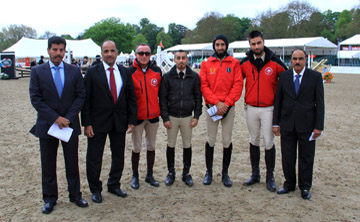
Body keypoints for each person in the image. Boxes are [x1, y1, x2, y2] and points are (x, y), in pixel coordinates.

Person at [29, 36, 88, 214]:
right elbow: (36, 99)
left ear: (65, 51)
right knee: (48, 164)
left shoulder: (74, 71)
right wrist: (56, 118)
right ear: (48, 51)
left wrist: (67, 118)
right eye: (54, 49)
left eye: (61, 50)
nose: (58, 53)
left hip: (69, 125)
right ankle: (49, 199)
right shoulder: (38, 72)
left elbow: (80, 96)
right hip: (47, 125)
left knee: (72, 162)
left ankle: (75, 195)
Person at [81, 40, 137, 203]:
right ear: (102, 53)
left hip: (119, 121)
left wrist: (132, 119)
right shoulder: (92, 72)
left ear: (117, 52)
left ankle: (114, 184)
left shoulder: (125, 72)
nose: (109, 54)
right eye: (106, 51)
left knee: (118, 155)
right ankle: (95, 189)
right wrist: (87, 123)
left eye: (112, 51)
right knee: (94, 157)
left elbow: (130, 97)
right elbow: (86, 100)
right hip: (97, 122)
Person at [273, 49, 324, 200]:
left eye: (300, 59)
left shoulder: (315, 77)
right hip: (287, 124)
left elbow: (320, 104)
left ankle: (305, 186)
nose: (297, 62)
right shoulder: (284, 76)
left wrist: (319, 126)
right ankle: (289, 184)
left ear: (306, 60)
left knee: (306, 157)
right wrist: (276, 123)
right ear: (291, 60)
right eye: (294, 59)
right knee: (288, 156)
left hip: (307, 125)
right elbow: (278, 101)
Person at [240, 30, 287, 192]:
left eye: (259, 43)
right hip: (251, 108)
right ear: (249, 45)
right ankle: (255, 174)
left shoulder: (275, 62)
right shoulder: (245, 63)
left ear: (263, 42)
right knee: (253, 140)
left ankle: (270, 176)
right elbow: (233, 80)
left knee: (268, 142)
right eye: (253, 44)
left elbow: (287, 80)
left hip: (269, 109)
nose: (256, 46)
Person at [199, 35, 243, 187]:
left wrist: (226, 104)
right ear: (214, 46)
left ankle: (225, 173)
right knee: (211, 140)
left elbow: (238, 85)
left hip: (228, 108)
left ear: (226, 46)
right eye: (217, 45)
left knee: (226, 140)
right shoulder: (206, 64)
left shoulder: (235, 63)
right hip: (212, 107)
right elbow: (204, 85)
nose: (220, 47)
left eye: (222, 44)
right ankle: (209, 172)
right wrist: (217, 103)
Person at [159, 50, 202, 187]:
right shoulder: (167, 77)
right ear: (174, 59)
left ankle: (186, 173)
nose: (181, 61)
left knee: (187, 145)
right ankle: (171, 173)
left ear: (187, 59)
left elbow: (198, 98)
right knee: (171, 144)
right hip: (172, 116)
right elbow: (163, 99)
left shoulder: (194, 77)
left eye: (183, 58)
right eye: (178, 58)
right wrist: (165, 117)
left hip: (187, 117)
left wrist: (196, 116)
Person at [129, 43, 162, 189]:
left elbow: (162, 94)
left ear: (150, 55)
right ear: (136, 55)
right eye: (141, 53)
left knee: (151, 146)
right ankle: (135, 175)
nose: (143, 56)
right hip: (137, 117)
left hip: (153, 116)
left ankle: (149, 174)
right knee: (136, 147)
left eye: (146, 53)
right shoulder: (129, 72)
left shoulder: (156, 71)